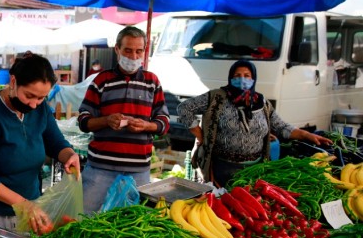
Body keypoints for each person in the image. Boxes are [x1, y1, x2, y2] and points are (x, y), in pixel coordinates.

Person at [0, 52, 80, 233]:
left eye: (41, 98)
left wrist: (70, 155)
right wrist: (23, 204)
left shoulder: (40, 111)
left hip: (30, 211)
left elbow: (56, 143)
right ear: (13, 81)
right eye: (29, 95)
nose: (34, 104)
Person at [178, 59, 331, 188]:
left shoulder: (261, 102)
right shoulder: (217, 97)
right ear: (230, 77)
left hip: (254, 169)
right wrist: (200, 135)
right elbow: (184, 109)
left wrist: (307, 135)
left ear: (253, 79)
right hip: (220, 168)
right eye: (237, 75)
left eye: (247, 75)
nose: (242, 79)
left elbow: (281, 127)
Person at [78, 26, 170, 214]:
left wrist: (147, 125)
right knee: (85, 220)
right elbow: (83, 120)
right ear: (117, 49)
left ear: (144, 52)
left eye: (139, 51)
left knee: (131, 226)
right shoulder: (101, 81)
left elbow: (164, 122)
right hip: (99, 170)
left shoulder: (152, 82)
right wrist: (106, 120)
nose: (133, 56)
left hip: (139, 172)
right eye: (128, 50)